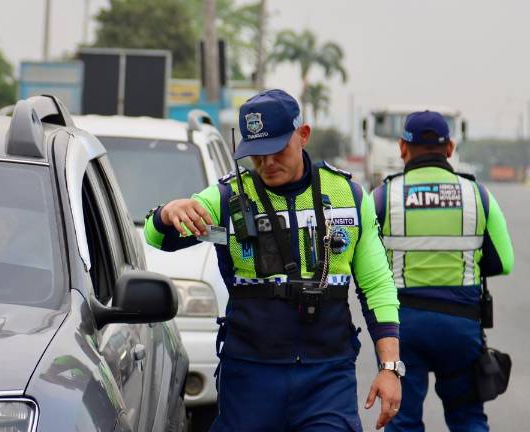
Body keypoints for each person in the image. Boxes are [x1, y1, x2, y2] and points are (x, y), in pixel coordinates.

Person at [143, 89, 402, 431]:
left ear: (303, 135)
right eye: (256, 154)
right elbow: (158, 238)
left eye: (277, 150)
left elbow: (377, 286)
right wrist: (166, 214)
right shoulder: (227, 199)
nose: (267, 163)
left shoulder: (349, 196)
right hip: (250, 375)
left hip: (326, 377)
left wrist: (389, 367)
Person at [375, 111, 514, 432]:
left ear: (402, 147)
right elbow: (503, 262)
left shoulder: (384, 196)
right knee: (468, 419)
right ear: (449, 147)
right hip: (460, 328)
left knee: (403, 420)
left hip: (401, 330)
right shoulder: (478, 195)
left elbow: (366, 262)